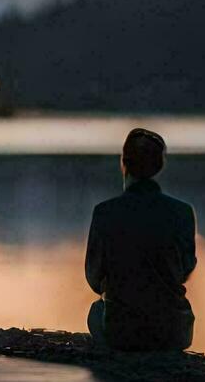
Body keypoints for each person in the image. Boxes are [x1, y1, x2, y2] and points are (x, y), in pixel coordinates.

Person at [84, 128, 197, 352]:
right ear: (159, 166)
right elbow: (184, 269)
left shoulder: (104, 212)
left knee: (97, 310)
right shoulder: (182, 212)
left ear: (123, 163)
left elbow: (94, 278)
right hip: (173, 333)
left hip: (121, 332)